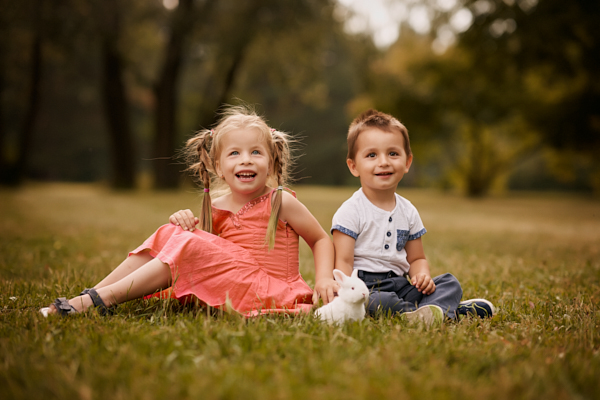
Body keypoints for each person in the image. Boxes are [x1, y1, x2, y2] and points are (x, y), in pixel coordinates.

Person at [41, 105, 338, 317]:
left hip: (273, 290)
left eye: (256, 153)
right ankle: (91, 295)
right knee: (174, 232)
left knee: (186, 240)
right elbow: (209, 257)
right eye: (235, 153)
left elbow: (320, 240)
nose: (246, 161)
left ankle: (99, 300)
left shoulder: (280, 201)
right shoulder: (215, 206)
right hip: (233, 287)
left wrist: (324, 278)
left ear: (271, 163)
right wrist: (183, 226)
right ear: (218, 167)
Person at [331, 109, 494, 326]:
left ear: (407, 162)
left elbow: (416, 259)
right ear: (354, 166)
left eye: (393, 153)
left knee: (449, 282)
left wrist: (422, 275)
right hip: (367, 288)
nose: (384, 162)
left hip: (402, 284)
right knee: (380, 302)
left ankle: (430, 311)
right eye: (372, 155)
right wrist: (344, 296)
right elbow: (343, 261)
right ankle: (442, 312)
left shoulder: (408, 211)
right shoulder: (351, 210)